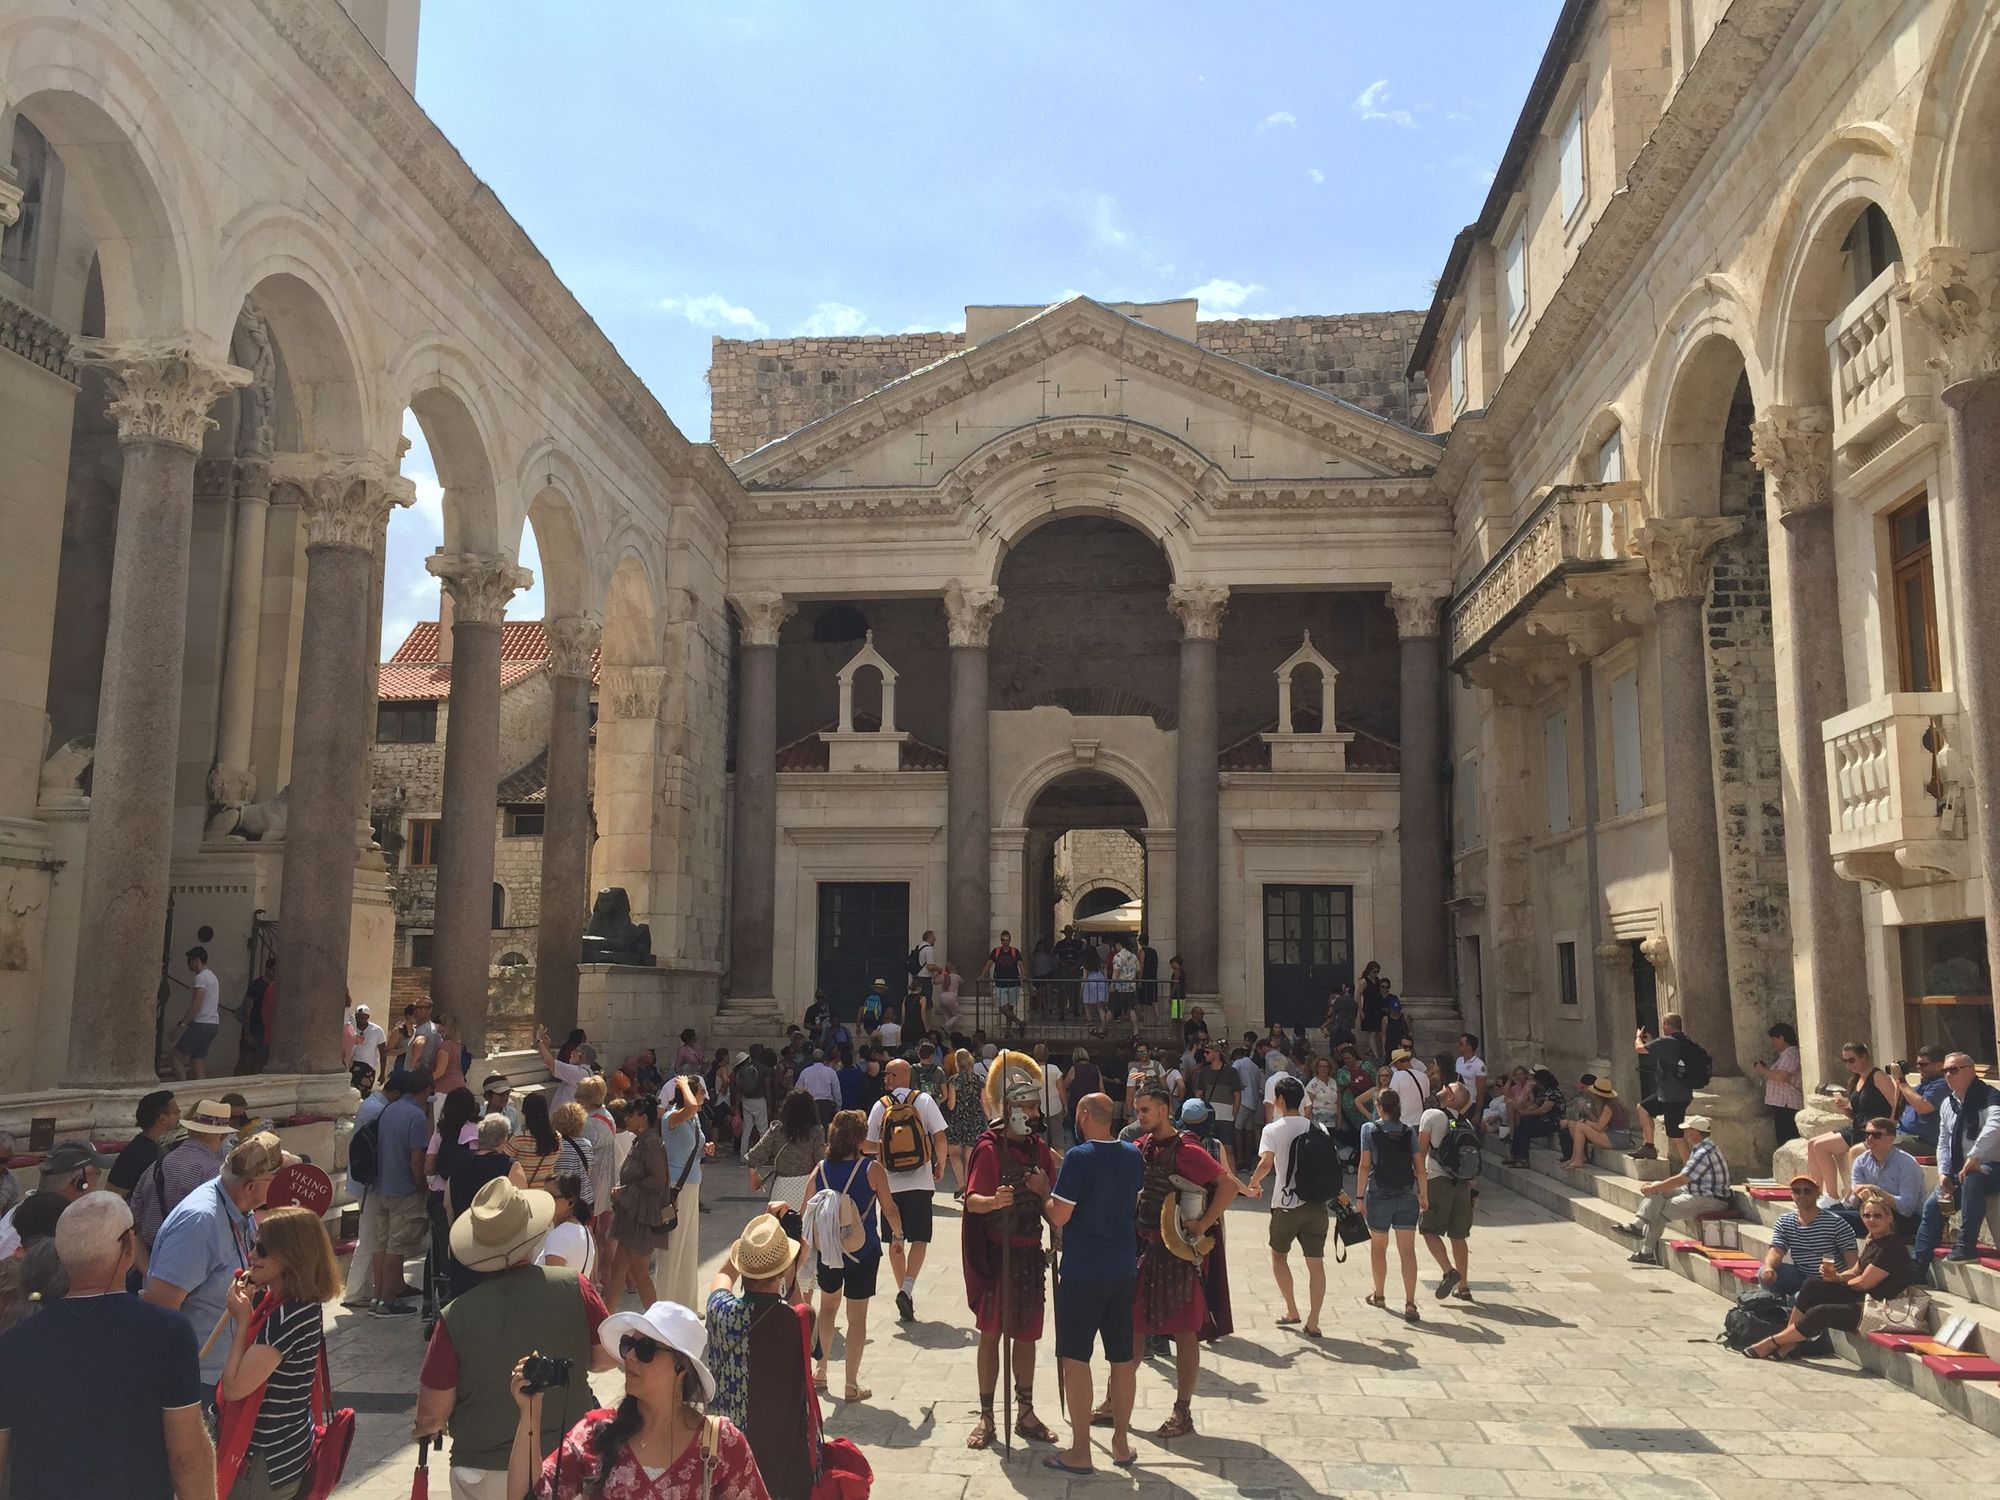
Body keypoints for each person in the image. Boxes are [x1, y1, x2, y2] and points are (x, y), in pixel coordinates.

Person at [0, 1192, 215, 1500]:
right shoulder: (167, 1333)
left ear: (60, 1254)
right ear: (128, 1244)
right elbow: (186, 1456)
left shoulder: (14, 1343)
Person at [415, 1177, 616, 1500]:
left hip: (483, 1468)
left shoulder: (457, 1315)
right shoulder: (575, 1287)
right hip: (565, 1461)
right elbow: (605, 1358)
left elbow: (431, 1415)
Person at [502, 1299, 770, 1500]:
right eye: (628, 1345)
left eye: (645, 1349)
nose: (629, 1356)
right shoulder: (596, 1433)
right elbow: (527, 1497)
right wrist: (530, 1413)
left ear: (681, 1368)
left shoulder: (721, 1443)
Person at [961, 1050, 1060, 1451]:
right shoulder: (989, 1149)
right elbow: (972, 1201)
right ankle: (987, 1415)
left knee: (1027, 1336)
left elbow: (1053, 1199)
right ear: (1011, 1108)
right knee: (991, 1335)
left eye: (1036, 1106)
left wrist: (1045, 1197)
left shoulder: (1039, 1150)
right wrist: (994, 1201)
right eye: (1028, 1106)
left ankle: (1025, 1411)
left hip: (1029, 1256)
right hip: (996, 1257)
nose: (1035, 1113)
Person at [1130, 1082, 1238, 1440]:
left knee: (1184, 1331)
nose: (1140, 1116)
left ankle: (1182, 1409)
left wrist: (1203, 1224)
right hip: (1146, 1250)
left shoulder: (1187, 1149)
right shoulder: (1143, 1146)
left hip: (1178, 1254)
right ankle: (1116, 1400)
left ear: (1164, 1110)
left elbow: (1227, 1185)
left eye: (1145, 1110)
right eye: (1138, 1109)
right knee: (1133, 1326)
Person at [1044, 1093, 1144, 1476]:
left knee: (1075, 1358)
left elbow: (1060, 1215)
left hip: (1084, 1271)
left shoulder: (1079, 1157)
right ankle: (1121, 1442)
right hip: (1122, 1268)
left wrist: (1041, 1194)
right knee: (1122, 1359)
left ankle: (1081, 1450)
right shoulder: (1133, 1155)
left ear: (1084, 1114)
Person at [214, 1204, 340, 1499]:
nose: (251, 1256)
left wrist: (242, 1320)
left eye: (262, 1249)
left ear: (290, 1256)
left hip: (264, 1463)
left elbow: (235, 1387)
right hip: (287, 1450)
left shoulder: (286, 1316)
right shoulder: (298, 1305)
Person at [145, 1132, 288, 1384]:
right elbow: (159, 1309)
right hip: (196, 1377)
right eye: (274, 1179)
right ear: (251, 1186)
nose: (278, 1185)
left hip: (223, 1372)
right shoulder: (200, 1221)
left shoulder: (239, 1208)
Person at [706, 1215, 815, 1499]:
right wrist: (792, 1274)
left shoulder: (720, 1311)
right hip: (784, 1460)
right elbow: (812, 1338)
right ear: (785, 1268)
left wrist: (745, 1250)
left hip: (728, 1454)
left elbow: (722, 1277)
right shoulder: (797, 1320)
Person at [1745, 1191, 1917, 1359]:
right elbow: (1855, 1271)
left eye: (1877, 1216)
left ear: (1889, 1218)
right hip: (1863, 1298)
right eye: (1867, 1215)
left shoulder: (1892, 1248)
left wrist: (1838, 1279)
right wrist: (1835, 1276)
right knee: (1813, 1285)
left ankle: (1773, 1342)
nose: (1871, 1220)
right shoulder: (1874, 1241)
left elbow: (1864, 1283)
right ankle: (1789, 1343)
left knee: (1821, 1311)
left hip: (1878, 1308)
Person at [808, 1109, 897, 1402]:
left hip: (829, 1250)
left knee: (828, 1308)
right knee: (857, 1317)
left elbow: (807, 1208)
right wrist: (898, 1236)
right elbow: (889, 1208)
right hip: (863, 1250)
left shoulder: (821, 1169)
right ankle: (850, 1384)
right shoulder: (872, 1169)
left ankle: (821, 1370)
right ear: (859, 1138)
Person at [864, 1057, 948, 1323]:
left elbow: (866, 1145)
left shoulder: (880, 1106)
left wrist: (885, 1149)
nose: (885, 1078)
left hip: (890, 1184)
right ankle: (907, 1289)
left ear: (896, 1077)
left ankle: (903, 1290)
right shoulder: (923, 1101)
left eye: (888, 1074)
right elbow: (940, 1137)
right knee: (920, 1239)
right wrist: (940, 1165)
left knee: (895, 1238)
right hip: (920, 1182)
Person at [1246, 1075, 1328, 1336]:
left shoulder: (1272, 1129)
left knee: (1279, 1256)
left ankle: (1292, 1309)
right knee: (1316, 1263)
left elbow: (1266, 1164)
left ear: (1279, 1100)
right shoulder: (1318, 1128)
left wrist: (1253, 1183)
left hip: (1286, 1203)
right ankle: (1313, 1320)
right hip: (1316, 1204)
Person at [1912, 1050, 2000, 1273]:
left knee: (1973, 1179)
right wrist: (1943, 1172)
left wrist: (1974, 1156)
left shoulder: (1990, 1096)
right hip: (1959, 1170)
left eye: (1953, 1070)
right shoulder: (1948, 1103)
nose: (1948, 1075)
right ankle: (1918, 1268)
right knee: (1933, 1206)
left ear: (1971, 1071)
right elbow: (1943, 1141)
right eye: (1945, 1071)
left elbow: (1995, 1126)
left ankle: (1966, 1245)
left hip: (1992, 1166)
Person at [1613, 1114, 1732, 1263]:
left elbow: (1682, 1178)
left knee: (1660, 1209)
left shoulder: (1704, 1152)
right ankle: (1638, 1224)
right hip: (1696, 1192)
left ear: (1695, 1132)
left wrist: (1654, 1187)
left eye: (1687, 1130)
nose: (1685, 1133)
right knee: (1657, 1190)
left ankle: (1646, 1251)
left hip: (1711, 1200)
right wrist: (1655, 1187)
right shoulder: (1703, 1148)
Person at [362, 1066, 433, 1315]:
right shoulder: (416, 1117)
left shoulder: (389, 1109)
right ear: (426, 1090)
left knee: (381, 1244)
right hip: (404, 1189)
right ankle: (387, 1301)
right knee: (396, 1246)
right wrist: (422, 1187)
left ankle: (377, 1296)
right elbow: (416, 1160)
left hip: (383, 1185)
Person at [1357, 1084, 1425, 1322]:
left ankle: (1379, 1294)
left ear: (1379, 1107)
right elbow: (1420, 1168)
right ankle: (1410, 1302)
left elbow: (1364, 1165)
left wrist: (1359, 1197)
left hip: (1379, 1193)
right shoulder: (1408, 1132)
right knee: (1407, 1250)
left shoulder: (1369, 1129)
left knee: (1379, 1247)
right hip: (1406, 1194)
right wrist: (1424, 1195)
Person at [1803, 1040, 1899, 1202]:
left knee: (1821, 1146)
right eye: (1845, 1061)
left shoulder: (1878, 1077)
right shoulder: (1856, 1080)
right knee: (1813, 1144)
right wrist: (1845, 1108)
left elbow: (1896, 1104)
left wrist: (1890, 1129)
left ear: (1864, 1057)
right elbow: (1856, 1114)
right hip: (1857, 1127)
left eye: (1852, 1060)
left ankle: (1832, 1196)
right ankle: (1815, 1194)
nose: (1849, 1065)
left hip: (1873, 1131)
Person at [606, 1094, 670, 1307]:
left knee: (640, 1273)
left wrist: (625, 1192)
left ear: (643, 1118)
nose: (626, 1119)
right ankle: (605, 1320)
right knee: (618, 1270)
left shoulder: (651, 1143)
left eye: (630, 1115)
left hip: (641, 1216)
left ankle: (655, 1323)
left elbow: (658, 1180)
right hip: (630, 1214)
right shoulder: (640, 1141)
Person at [1418, 1082, 1480, 1302]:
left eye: (1449, 1087)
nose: (1444, 1086)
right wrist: (1473, 1192)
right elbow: (1472, 1160)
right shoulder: (1466, 1124)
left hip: (1437, 1179)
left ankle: (1449, 1271)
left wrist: (1419, 1185)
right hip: (1462, 1184)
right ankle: (1463, 1286)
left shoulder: (1431, 1115)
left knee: (1428, 1229)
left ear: (1451, 1098)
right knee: (1458, 1235)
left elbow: (1421, 1151)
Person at [660, 1074, 713, 1309]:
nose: (704, 1096)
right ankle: (665, 1301)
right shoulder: (672, 1117)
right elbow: (690, 1106)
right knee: (673, 1245)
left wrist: (705, 1148)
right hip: (676, 1187)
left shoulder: (694, 1119)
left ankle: (686, 1302)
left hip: (692, 1184)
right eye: (701, 1092)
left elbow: (693, 1147)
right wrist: (682, 1085)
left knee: (689, 1244)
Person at [1760, 1175, 1858, 1297]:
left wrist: (1840, 1280)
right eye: (1797, 1191)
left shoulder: (1836, 1223)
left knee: (1799, 1297)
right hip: (1801, 1276)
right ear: (1792, 1195)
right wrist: (1769, 1267)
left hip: (1828, 1282)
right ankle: (1776, 1304)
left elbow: (1853, 1264)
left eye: (1807, 1191)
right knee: (1763, 1272)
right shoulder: (1785, 1221)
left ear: (1817, 1193)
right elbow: (1776, 1250)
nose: (1802, 1195)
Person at [1836, 1117, 1925, 1236]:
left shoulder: (1907, 1164)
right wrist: (1860, 1195)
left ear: (1891, 1139)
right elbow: (1853, 1201)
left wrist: (1877, 1191)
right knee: (1823, 1215)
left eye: (1876, 1135)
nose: (1870, 1139)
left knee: (1836, 1220)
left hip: (1902, 1219)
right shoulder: (1861, 1161)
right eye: (1867, 1134)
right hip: (1870, 1213)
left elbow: (1907, 1208)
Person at [1633, 1014, 1699, 1163]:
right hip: (1675, 1093)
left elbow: (1639, 1049)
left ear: (1667, 1025)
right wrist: (1652, 1042)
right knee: (1643, 1108)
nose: (1662, 1027)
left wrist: (1638, 1037)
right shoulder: (1685, 1042)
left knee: (1676, 1135)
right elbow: (1663, 1053)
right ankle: (1649, 1146)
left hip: (1672, 1097)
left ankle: (1690, 1170)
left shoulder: (1666, 1042)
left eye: (1663, 1024)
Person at [746, 1089, 825, 1213]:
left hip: (781, 1189)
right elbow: (821, 1162)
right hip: (808, 1189)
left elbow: (754, 1156)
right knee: (805, 1224)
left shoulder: (777, 1130)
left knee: (778, 1225)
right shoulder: (816, 1131)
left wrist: (754, 1175)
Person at [168, 945, 223, 1081]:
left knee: (175, 1057)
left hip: (201, 1024)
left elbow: (196, 1005)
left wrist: (181, 1025)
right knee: (198, 1061)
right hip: (212, 1024)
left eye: (189, 960)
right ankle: (200, 1089)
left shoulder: (201, 978)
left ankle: (182, 1087)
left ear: (196, 960)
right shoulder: (213, 977)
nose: (188, 964)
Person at [535, 1174, 598, 1282]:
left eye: (551, 1197)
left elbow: (554, 1285)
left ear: (570, 1203)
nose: (546, 1201)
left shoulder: (559, 1236)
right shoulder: (584, 1231)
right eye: (544, 1196)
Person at [1752, 1022, 1805, 1146]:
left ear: (1781, 1038)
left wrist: (1762, 1070)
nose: (1773, 1044)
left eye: (1774, 1040)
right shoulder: (1785, 1055)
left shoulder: (1791, 1054)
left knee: (1787, 1141)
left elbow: (1781, 1077)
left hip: (1788, 1106)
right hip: (1783, 1106)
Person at [942, 1047, 987, 1196]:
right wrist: (989, 1118)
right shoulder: (980, 1079)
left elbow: (951, 1105)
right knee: (969, 1154)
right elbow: (984, 1102)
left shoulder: (953, 1080)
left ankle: (961, 1184)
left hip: (958, 1119)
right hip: (975, 1119)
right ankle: (969, 1186)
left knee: (954, 1153)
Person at [1560, 1077, 1631, 1168]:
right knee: (1574, 1125)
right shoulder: (1614, 1104)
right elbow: (1601, 1123)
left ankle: (1578, 1159)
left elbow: (1599, 1127)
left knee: (1580, 1127)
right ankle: (1575, 1157)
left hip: (1617, 1139)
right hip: (1618, 1137)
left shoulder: (1609, 1107)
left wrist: (1585, 1122)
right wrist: (1587, 1115)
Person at [1504, 1068, 1565, 1166]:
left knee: (1525, 1128)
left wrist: (1527, 1113)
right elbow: (1536, 1105)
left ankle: (1523, 1159)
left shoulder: (1554, 1093)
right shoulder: (1542, 1092)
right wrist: (1524, 1112)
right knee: (1521, 1124)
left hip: (1552, 1122)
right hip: (1541, 1120)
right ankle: (1515, 1154)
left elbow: (1544, 1109)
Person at [507, 1092, 564, 1192]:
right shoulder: (557, 1137)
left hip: (524, 1190)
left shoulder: (519, 1138)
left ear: (524, 1113)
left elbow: (505, 1159)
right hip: (546, 1191)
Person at [533, 1025, 596, 1112]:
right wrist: (546, 1046)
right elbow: (552, 1064)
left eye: (576, 1051)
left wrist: (538, 1041)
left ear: (582, 1056)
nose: (571, 1052)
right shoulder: (582, 1071)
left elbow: (550, 1062)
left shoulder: (579, 1073)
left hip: (567, 1118)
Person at [234, 958, 278, 1075]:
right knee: (246, 1061)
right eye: (273, 970)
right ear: (267, 969)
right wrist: (248, 1032)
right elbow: (247, 1009)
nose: (275, 973)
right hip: (254, 1028)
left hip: (265, 1030)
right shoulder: (256, 985)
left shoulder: (276, 987)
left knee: (258, 1063)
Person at [1387, 1047, 1429, 1126]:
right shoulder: (1424, 1076)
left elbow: (1391, 1098)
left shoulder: (1397, 1075)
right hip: (1420, 1122)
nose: (1395, 1067)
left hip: (1403, 1122)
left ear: (1399, 1062)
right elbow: (1426, 1095)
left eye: (1395, 1064)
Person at [346, 1003, 388, 1081]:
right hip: (352, 1066)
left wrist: (382, 1073)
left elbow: (383, 1053)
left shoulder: (377, 1030)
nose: (359, 1019)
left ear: (367, 1017)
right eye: (358, 1016)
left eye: (362, 1017)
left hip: (368, 1068)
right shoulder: (351, 1029)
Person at [1110, 938, 1141, 1034]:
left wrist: (1112, 985)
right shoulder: (1133, 956)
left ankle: (1102, 1029)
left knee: (1111, 1008)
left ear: (1118, 944)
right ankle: (1135, 1031)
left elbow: (1116, 972)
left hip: (1120, 986)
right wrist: (1132, 975)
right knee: (1132, 1009)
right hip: (1131, 986)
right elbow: (1139, 968)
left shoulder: (1118, 956)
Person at [1454, 1034, 1488, 1115]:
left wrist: (1477, 1113)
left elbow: (1481, 1091)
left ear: (1469, 1047)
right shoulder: (1459, 1060)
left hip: (1471, 1104)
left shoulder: (1479, 1065)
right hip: (1458, 1103)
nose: (1458, 1045)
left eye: (1461, 1044)